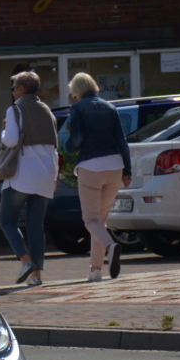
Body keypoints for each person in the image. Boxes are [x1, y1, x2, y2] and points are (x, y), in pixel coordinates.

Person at [65, 72, 132, 281]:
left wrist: (67, 146)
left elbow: (77, 138)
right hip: (115, 166)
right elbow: (122, 141)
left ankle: (111, 246)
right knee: (99, 221)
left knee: (91, 220)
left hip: (90, 166)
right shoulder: (110, 107)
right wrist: (127, 170)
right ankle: (95, 271)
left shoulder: (77, 108)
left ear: (76, 91)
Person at [0, 71, 58, 287]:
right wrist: (54, 177)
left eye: (13, 87)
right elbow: (54, 148)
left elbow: (11, 141)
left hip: (22, 174)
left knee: (7, 220)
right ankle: (37, 277)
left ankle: (25, 260)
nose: (12, 91)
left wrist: (4, 130)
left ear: (22, 89)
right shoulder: (47, 111)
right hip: (46, 174)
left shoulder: (15, 110)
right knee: (35, 225)